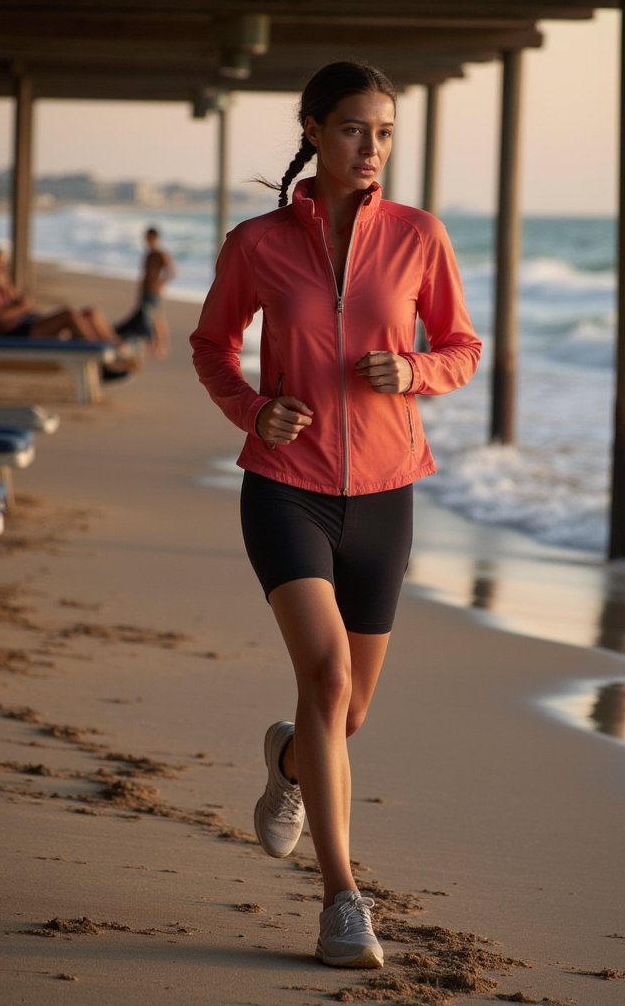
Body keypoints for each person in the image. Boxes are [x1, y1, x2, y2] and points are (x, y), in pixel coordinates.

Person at [189, 61, 481, 969]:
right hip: (285, 486)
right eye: (355, 129)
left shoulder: (419, 237)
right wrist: (252, 410)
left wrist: (416, 370)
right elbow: (211, 347)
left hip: (386, 496)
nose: (372, 148)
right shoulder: (259, 243)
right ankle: (342, 900)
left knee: (345, 713)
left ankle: (288, 765)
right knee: (325, 680)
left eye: (385, 132)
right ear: (314, 129)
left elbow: (463, 346)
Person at [0, 245, 121, 345]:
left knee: (90, 313)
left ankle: (115, 347)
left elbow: (16, 301)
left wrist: (7, 287)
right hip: (16, 332)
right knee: (68, 315)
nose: (3, 265)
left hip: (27, 324)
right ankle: (98, 357)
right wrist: (24, 306)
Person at [116, 227, 174, 357]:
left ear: (155, 238)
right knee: (151, 318)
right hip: (146, 290)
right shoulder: (148, 255)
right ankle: (155, 344)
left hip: (154, 291)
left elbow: (171, 272)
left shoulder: (160, 254)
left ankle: (162, 346)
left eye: (149, 238)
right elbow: (145, 274)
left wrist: (161, 284)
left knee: (156, 319)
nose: (147, 241)